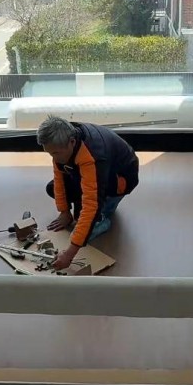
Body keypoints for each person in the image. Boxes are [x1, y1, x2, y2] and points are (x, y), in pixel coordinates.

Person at [36, 115, 139, 271]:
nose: (54, 158)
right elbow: (59, 178)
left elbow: (91, 204)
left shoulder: (93, 155)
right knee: (52, 188)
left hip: (118, 180)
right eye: (50, 154)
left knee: (86, 227)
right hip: (93, 172)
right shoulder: (63, 141)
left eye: (56, 153)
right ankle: (86, 213)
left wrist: (69, 254)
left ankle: (103, 220)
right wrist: (64, 212)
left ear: (72, 142)